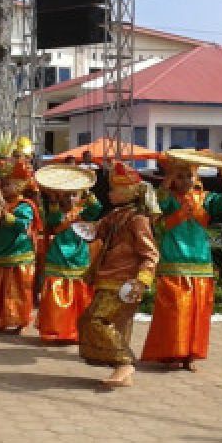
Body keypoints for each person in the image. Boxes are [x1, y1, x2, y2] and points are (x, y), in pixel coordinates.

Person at [141, 155, 222, 370]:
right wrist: (167, 180)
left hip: (200, 263)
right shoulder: (168, 199)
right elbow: (157, 201)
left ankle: (190, 356)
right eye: (180, 176)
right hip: (174, 261)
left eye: (189, 175)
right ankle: (171, 353)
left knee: (197, 312)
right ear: (173, 179)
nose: (186, 180)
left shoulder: (206, 199)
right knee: (176, 310)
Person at [77, 162, 159, 388]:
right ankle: (122, 373)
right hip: (108, 278)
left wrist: (142, 280)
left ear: (130, 191)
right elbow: (96, 231)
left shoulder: (138, 220)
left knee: (94, 320)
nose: (110, 193)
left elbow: (150, 254)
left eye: (114, 189)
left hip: (125, 281)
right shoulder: (116, 215)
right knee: (118, 326)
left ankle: (125, 362)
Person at [0, 159, 39, 333]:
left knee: (15, 291)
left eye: (7, 184)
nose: (4, 188)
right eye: (3, 184)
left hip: (17, 253)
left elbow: (23, 225)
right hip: (0, 252)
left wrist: (5, 215)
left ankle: (18, 321)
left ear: (19, 186)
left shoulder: (25, 206)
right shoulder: (3, 204)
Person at [35, 185, 102, 343]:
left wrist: (87, 192)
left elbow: (96, 209)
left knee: (79, 295)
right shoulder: (57, 213)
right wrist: (52, 201)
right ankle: (56, 330)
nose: (70, 199)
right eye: (66, 195)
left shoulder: (82, 213)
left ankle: (76, 330)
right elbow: (53, 221)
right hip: (58, 256)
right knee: (56, 294)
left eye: (74, 195)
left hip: (78, 257)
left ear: (80, 197)